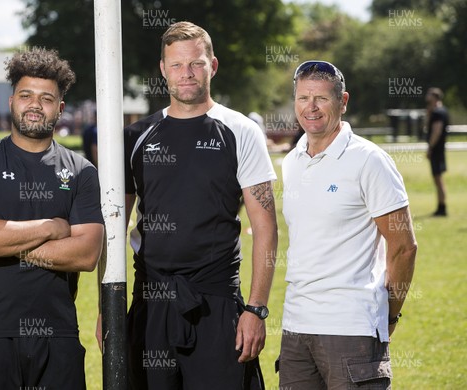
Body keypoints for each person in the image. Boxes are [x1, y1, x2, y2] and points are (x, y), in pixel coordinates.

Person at [101, 21, 278, 389]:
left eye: (196, 63)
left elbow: (265, 228)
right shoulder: (136, 137)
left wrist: (256, 310)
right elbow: (114, 228)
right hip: (151, 303)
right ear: (163, 69)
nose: (187, 73)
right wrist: (109, 308)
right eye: (177, 65)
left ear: (212, 65)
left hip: (217, 303)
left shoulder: (240, 131)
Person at [0, 48, 104, 389]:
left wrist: (5, 243)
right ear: (11, 102)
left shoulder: (81, 173)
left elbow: (86, 254)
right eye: (26, 95)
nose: (35, 105)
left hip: (58, 334)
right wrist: (52, 228)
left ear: (60, 108)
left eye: (46, 98)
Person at [277, 60, 418, 389]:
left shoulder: (370, 160)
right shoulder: (293, 161)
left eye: (321, 99)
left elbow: (404, 247)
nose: (310, 108)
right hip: (296, 328)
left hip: (351, 328)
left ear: (343, 101)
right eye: (302, 98)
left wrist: (390, 315)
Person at [425, 87, 449, 216]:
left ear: (434, 97)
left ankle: (442, 208)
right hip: (439, 150)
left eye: (429, 96)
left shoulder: (438, 113)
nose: (427, 98)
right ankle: (441, 206)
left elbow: (436, 131)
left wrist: (430, 147)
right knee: (438, 179)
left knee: (438, 179)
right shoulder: (440, 111)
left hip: (436, 150)